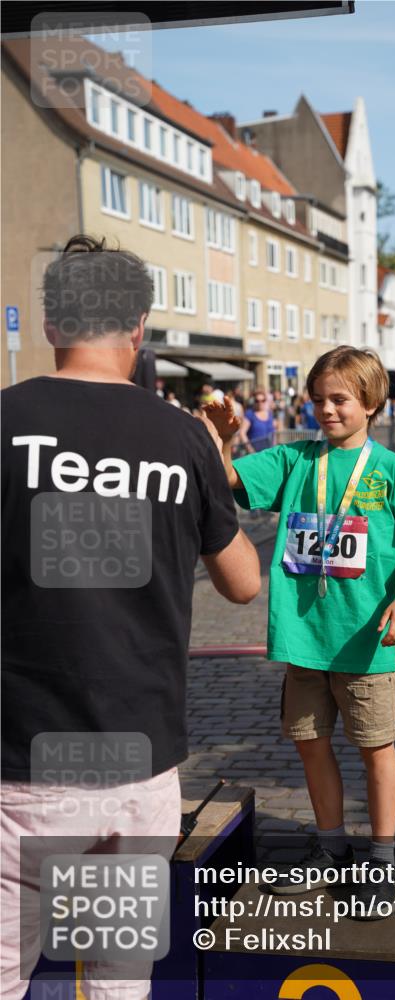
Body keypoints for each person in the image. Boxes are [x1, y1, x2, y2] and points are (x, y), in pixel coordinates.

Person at [0, 234, 261, 1000]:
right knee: (115, 984)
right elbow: (243, 582)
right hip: (138, 764)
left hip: (22, 765)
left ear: (51, 325)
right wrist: (211, 467)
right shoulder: (181, 437)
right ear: (139, 327)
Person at [202, 346, 395, 920]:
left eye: (340, 400)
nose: (326, 410)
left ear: (372, 403)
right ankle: (332, 848)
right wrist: (221, 433)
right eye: (318, 400)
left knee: (376, 748)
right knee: (310, 743)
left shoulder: (391, 471)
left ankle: (381, 861)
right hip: (304, 638)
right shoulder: (296, 460)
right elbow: (229, 477)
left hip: (364, 640)